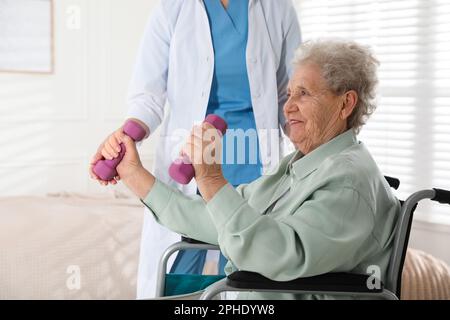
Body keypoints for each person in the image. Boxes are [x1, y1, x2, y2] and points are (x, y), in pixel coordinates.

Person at [113, 39, 401, 299]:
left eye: (303, 93)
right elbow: (220, 221)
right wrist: (133, 174)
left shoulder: (348, 180)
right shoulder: (297, 166)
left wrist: (212, 179)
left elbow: (277, 256)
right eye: (289, 94)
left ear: (345, 103)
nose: (288, 107)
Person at [89, 0, 301, 298]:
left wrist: (316, 149)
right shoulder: (172, 9)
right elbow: (147, 96)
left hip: (254, 167)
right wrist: (125, 138)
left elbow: (288, 97)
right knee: (179, 266)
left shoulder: (278, 9)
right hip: (190, 163)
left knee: (247, 277)